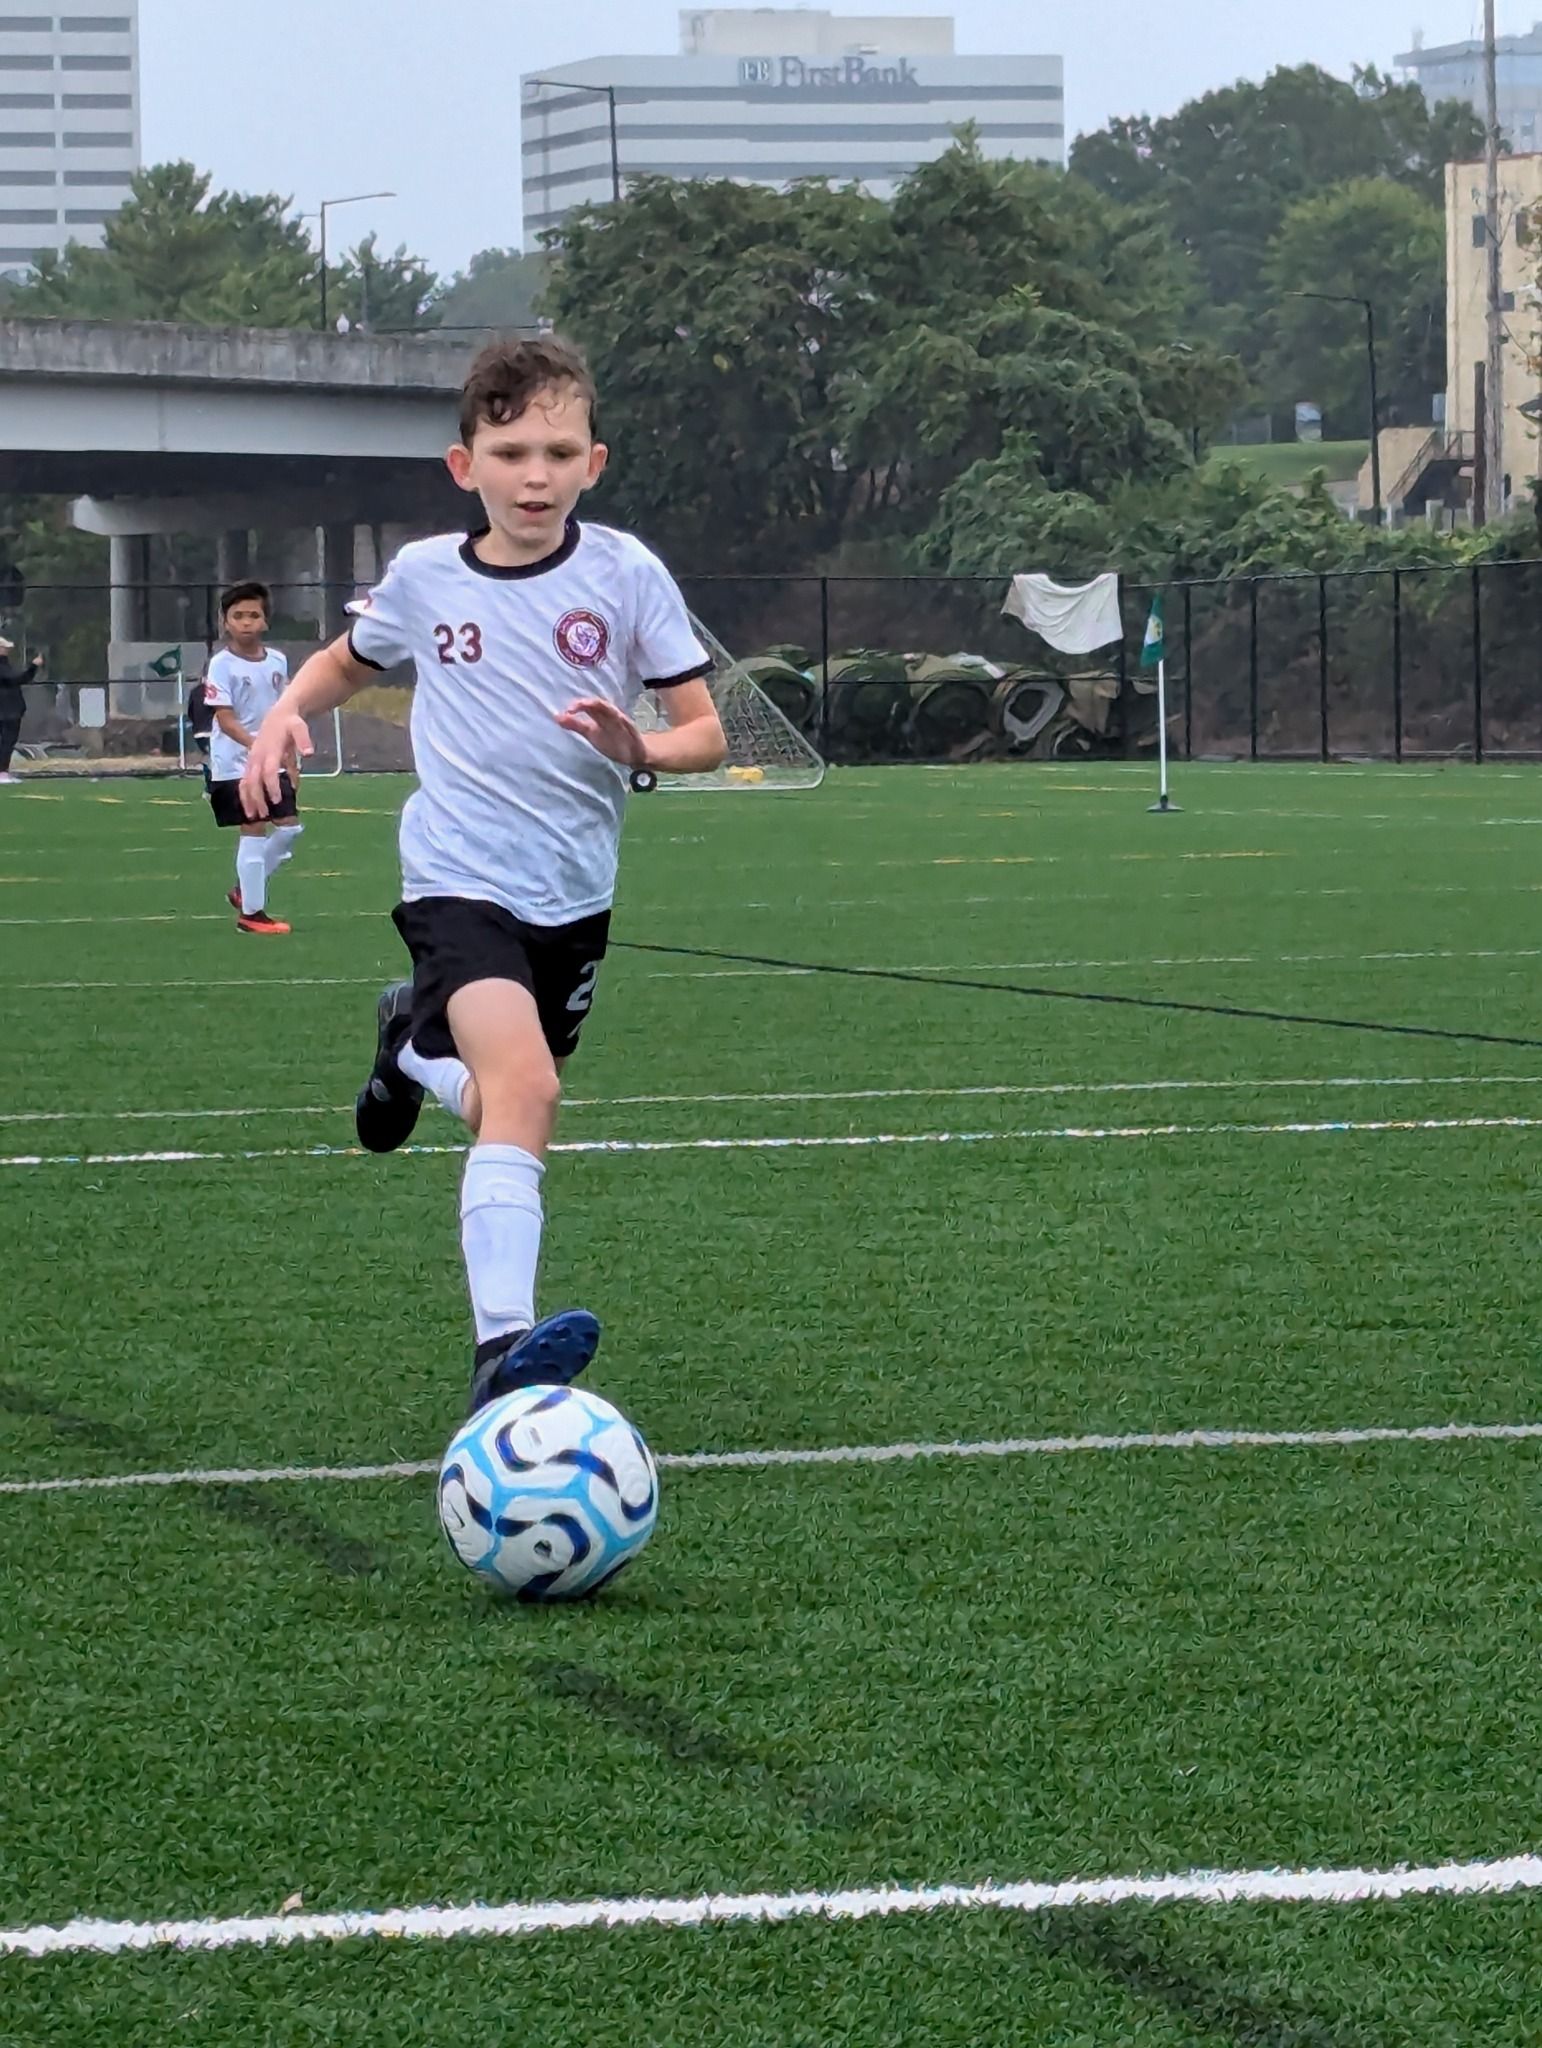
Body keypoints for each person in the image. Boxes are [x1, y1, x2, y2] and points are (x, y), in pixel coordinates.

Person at [241, 336, 726, 1415]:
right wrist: (283, 714)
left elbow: (706, 734)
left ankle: (411, 1051)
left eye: (558, 450)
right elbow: (339, 663)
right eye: (510, 452)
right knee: (532, 1089)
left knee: (513, 1101)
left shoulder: (626, 573)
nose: (535, 475)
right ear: (467, 467)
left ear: (594, 462)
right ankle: (499, 1351)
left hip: (573, 894)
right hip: (455, 880)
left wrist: (636, 746)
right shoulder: (425, 577)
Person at [205, 581, 304, 935]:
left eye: (253, 615)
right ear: (225, 622)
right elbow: (225, 718)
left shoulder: (277, 661)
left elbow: (285, 710)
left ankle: (245, 890)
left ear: (265, 621)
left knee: (291, 828)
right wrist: (256, 745)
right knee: (254, 827)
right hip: (236, 762)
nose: (246, 622)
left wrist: (289, 759)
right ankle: (252, 914)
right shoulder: (221, 664)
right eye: (238, 615)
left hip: (273, 758)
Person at [0, 637, 43, 784]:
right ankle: (2, 772)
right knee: (6, 741)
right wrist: (33, 666)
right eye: (4, 647)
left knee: (8, 742)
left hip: (10, 711)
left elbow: (21, 679)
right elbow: (17, 678)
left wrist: (33, 669)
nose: (7, 650)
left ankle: (4, 771)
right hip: (6, 712)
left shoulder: (5, 665)